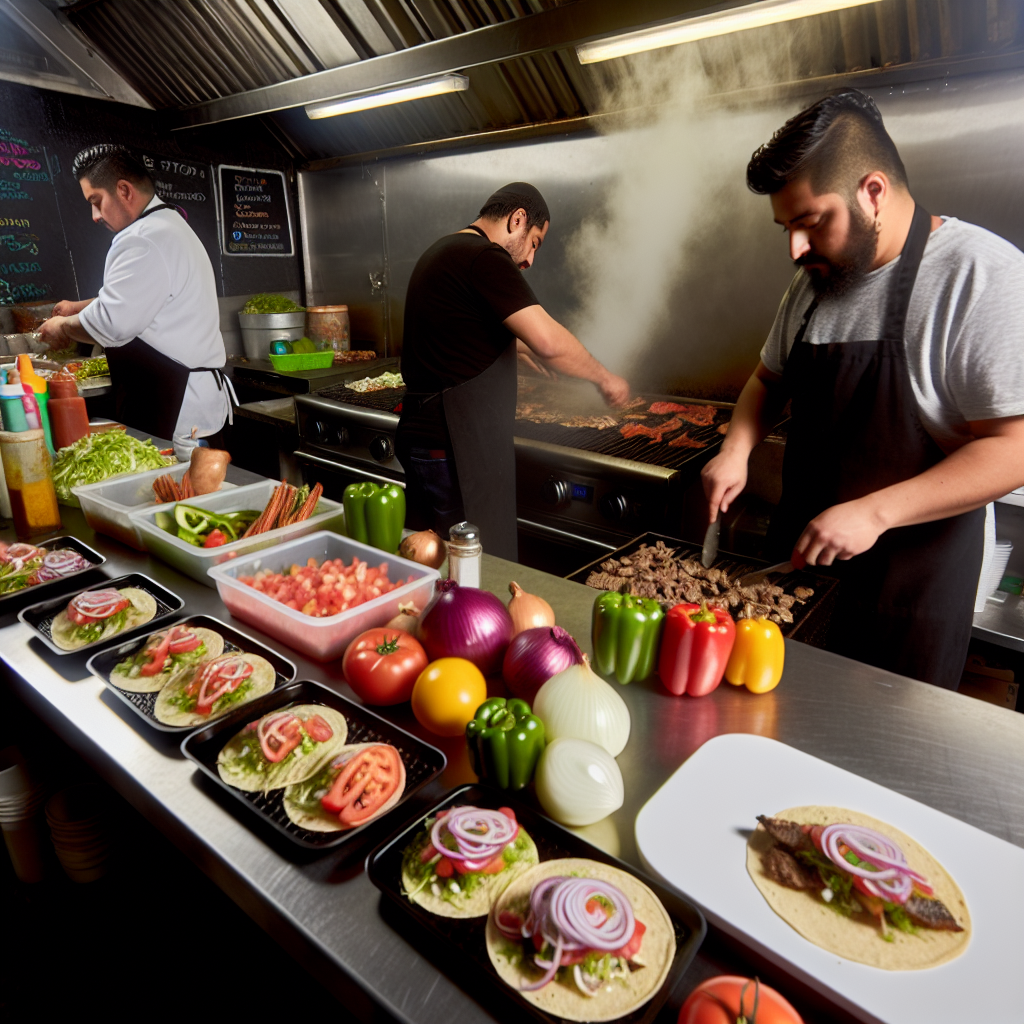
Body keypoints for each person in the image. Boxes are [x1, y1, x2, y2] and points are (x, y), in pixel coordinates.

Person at [701, 89, 1024, 689]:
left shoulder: (979, 275)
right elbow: (764, 380)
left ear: (872, 191)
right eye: (786, 228)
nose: (795, 249)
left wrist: (876, 512)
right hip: (797, 578)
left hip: (909, 598)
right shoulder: (813, 286)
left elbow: (1015, 445)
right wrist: (736, 450)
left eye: (810, 222)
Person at [396, 182, 630, 561]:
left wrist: (509, 347)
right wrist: (604, 376)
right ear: (517, 219)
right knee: (470, 571)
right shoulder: (484, 257)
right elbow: (549, 342)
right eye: (535, 242)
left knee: (429, 562)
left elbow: (455, 331)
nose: (530, 261)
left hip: (424, 439)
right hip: (455, 447)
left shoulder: (441, 251)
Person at [38, 145, 233, 460]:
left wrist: (63, 325)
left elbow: (111, 324)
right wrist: (80, 307)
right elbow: (145, 298)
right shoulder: (167, 224)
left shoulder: (141, 238)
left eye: (96, 202)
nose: (95, 216)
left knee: (178, 499)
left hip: (175, 410)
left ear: (124, 190)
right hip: (189, 404)